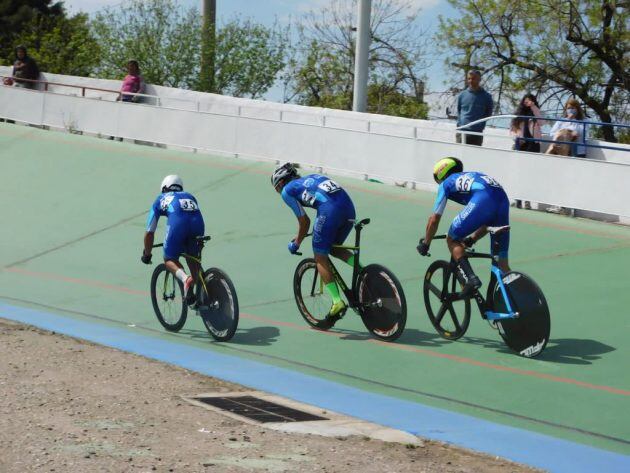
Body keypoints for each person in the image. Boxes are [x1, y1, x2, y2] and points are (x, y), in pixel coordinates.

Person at [272, 163, 356, 323]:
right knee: (334, 248)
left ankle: (337, 302)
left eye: (277, 189)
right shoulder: (311, 177)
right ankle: (363, 271)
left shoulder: (287, 190)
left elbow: (305, 221)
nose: (279, 192)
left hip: (329, 212)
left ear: (281, 183)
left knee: (320, 256)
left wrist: (296, 243)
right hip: (349, 209)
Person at [417, 157, 511, 294]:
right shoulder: (472, 175)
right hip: (503, 200)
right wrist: (472, 239)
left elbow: (434, 219)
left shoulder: (446, 184)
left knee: (451, 238)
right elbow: (487, 220)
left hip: (483, 198)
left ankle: (471, 279)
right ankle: (518, 297)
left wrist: (426, 243)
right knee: (502, 265)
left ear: (440, 174)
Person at [141, 175, 205, 305]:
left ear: (164, 188)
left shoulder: (161, 199)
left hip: (178, 226)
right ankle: (199, 287)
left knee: (169, 258)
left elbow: (149, 232)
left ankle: (185, 279)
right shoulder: (190, 196)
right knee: (192, 257)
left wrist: (147, 254)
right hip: (198, 225)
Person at [456, 70, 493, 146]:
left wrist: (480, 125)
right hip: (462, 131)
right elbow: (459, 111)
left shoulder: (487, 97)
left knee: (474, 157)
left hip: (477, 133)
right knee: (459, 156)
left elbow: (488, 113)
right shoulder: (462, 95)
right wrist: (459, 124)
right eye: (469, 78)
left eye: (473, 78)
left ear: (479, 79)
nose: (470, 81)